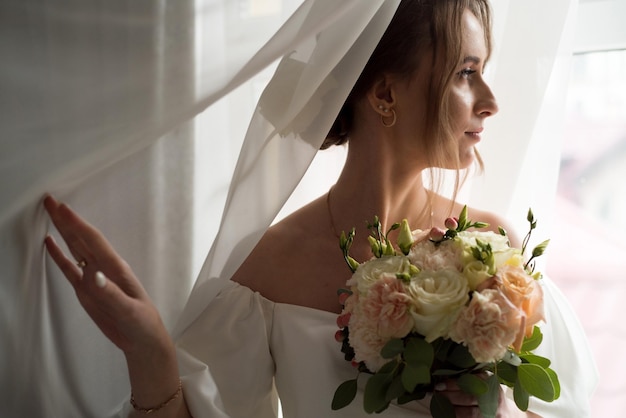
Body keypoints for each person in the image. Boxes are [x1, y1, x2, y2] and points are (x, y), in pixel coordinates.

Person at [43, 0, 596, 417]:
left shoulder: (494, 252)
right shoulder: (266, 270)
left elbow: (565, 405)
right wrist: (150, 353)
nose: (491, 102)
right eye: (465, 73)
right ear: (383, 95)